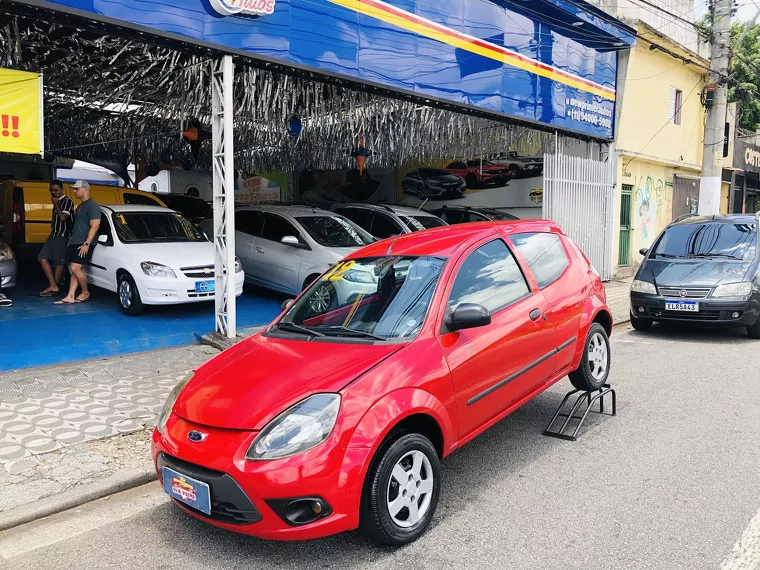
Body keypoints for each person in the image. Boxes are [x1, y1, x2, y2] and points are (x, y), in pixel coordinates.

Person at [55, 180, 100, 305]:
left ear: (85, 189)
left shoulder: (92, 206)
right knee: (73, 269)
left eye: (76, 189)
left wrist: (86, 244)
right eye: (74, 189)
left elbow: (95, 226)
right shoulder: (80, 206)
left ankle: (85, 292)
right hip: (75, 241)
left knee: (75, 268)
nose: (74, 191)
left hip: (83, 243)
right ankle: (70, 295)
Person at [38, 180, 74, 297]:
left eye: (56, 190)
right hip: (53, 235)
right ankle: (53, 284)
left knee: (59, 262)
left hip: (62, 236)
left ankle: (54, 288)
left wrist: (56, 204)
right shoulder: (56, 201)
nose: (54, 192)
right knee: (42, 257)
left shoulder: (67, 201)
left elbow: (63, 218)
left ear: (62, 190)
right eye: (51, 190)